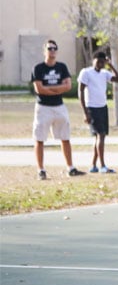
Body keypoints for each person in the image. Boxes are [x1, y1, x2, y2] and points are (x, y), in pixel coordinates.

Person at [31, 39, 86, 180]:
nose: (52, 50)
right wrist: (56, 89)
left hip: (59, 107)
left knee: (65, 137)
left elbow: (68, 86)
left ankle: (70, 168)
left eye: (55, 48)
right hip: (43, 107)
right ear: (45, 51)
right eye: (49, 48)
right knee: (40, 138)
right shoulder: (38, 68)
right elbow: (39, 89)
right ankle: (41, 170)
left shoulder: (62, 67)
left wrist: (50, 89)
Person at [77, 51, 118, 173]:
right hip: (92, 107)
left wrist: (111, 65)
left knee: (99, 137)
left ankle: (93, 165)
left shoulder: (104, 73)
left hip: (103, 107)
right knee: (100, 135)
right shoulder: (86, 72)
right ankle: (102, 166)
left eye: (103, 62)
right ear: (93, 60)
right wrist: (85, 112)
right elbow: (80, 91)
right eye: (98, 61)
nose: (100, 64)